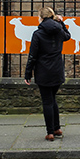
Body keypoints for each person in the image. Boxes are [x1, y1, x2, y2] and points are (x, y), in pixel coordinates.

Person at [24, 7, 71, 141]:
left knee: (47, 101)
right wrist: (61, 23)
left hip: (43, 71)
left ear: (41, 18)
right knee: (52, 99)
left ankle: (50, 132)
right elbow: (68, 36)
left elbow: (32, 55)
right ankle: (57, 128)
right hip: (57, 70)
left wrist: (28, 73)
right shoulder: (59, 31)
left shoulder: (38, 34)